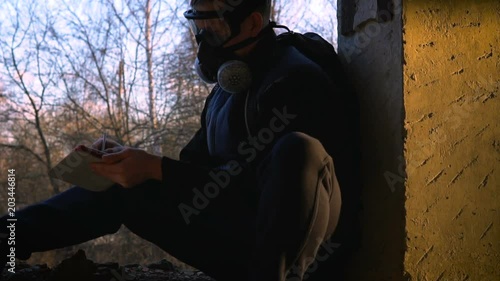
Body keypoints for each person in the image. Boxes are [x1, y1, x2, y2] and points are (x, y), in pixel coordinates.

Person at [0, 0, 361, 280]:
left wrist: (160, 170)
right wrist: (134, 162)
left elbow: (269, 189)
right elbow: (195, 174)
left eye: (213, 23)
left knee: (298, 148)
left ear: (252, 22)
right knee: (121, 184)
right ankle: (7, 237)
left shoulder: (298, 79)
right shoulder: (226, 90)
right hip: (239, 244)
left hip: (301, 262)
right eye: (197, 23)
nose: (202, 36)